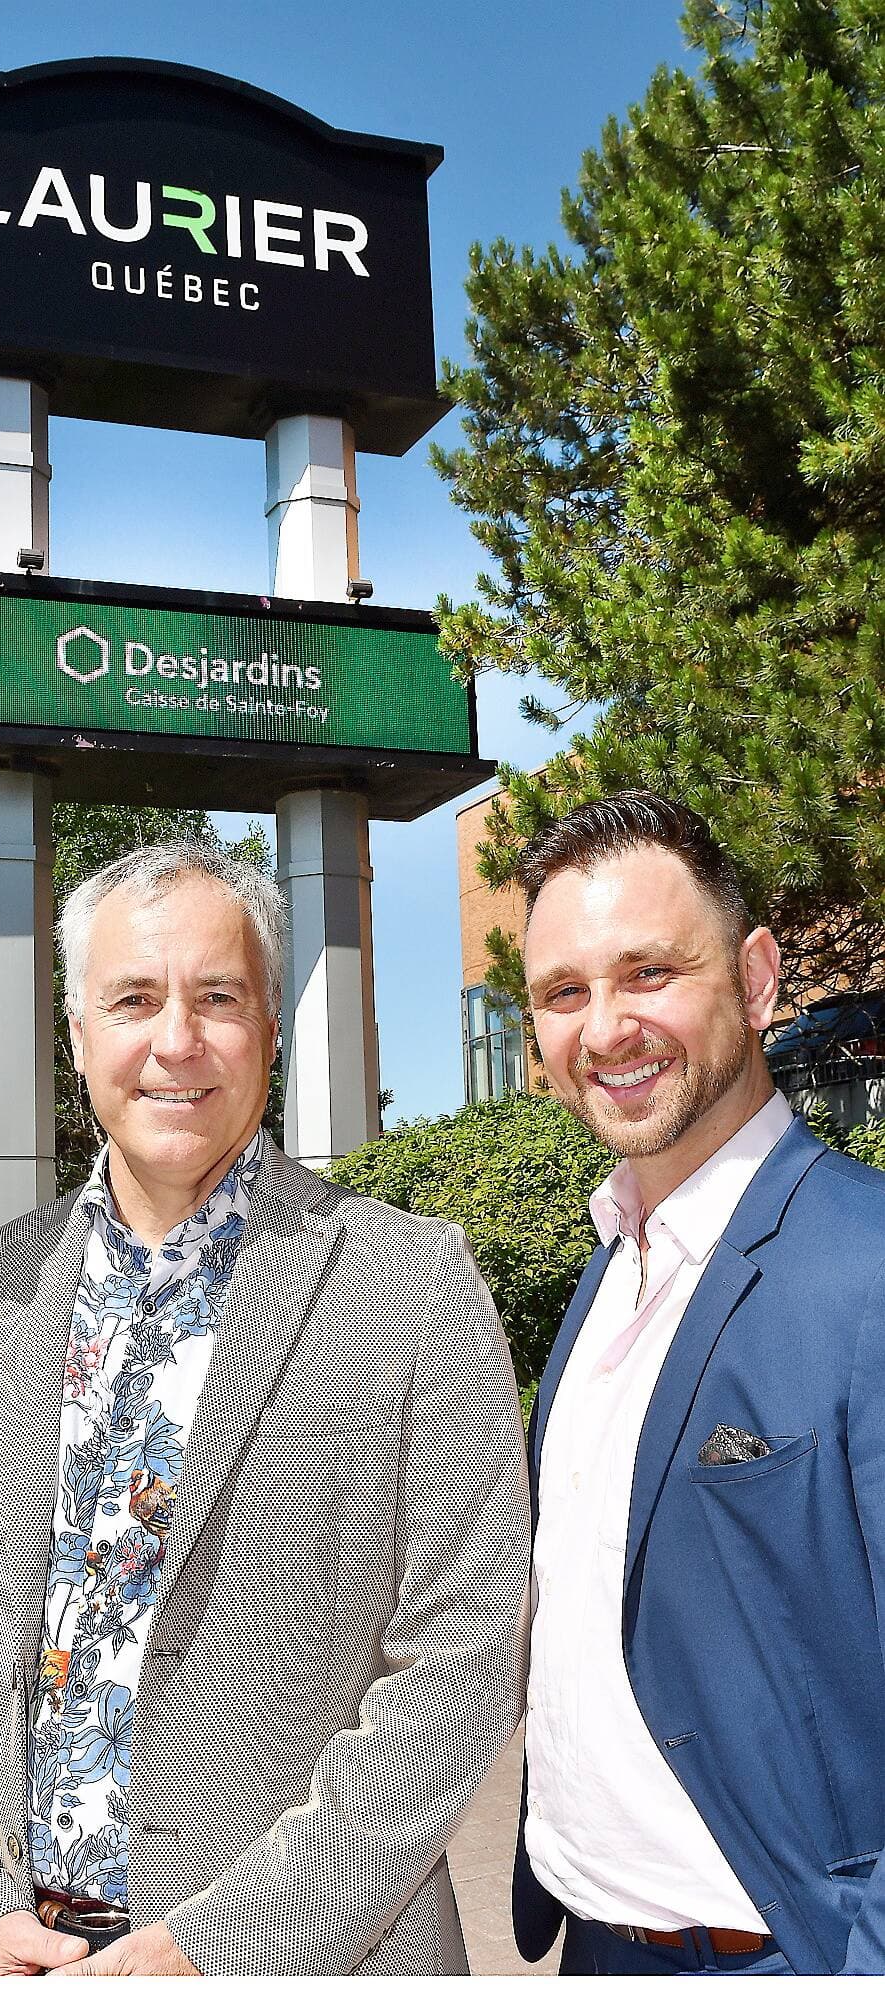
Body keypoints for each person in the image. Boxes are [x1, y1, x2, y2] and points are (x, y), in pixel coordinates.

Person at [0, 842, 528, 1977]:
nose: (175, 1041)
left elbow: (461, 1661)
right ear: (77, 1031)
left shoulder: (412, 1285)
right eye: (133, 999)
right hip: (21, 1961)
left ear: (272, 1026)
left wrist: (219, 1946)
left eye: (218, 999)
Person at [512, 790, 885, 1977]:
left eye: (649, 973)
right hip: (595, 1944)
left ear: (759, 977)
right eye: (565, 993)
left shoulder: (867, 1267)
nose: (607, 1026)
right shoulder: (606, 1273)